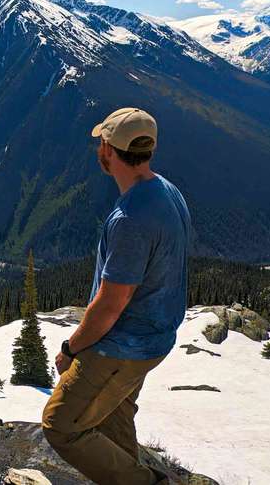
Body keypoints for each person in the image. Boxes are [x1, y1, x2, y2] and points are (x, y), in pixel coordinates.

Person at [41, 107, 192, 485]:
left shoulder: (131, 219)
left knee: (61, 426)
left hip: (119, 348)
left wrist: (72, 348)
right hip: (153, 339)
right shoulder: (167, 192)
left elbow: (111, 304)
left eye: (101, 142)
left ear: (108, 148)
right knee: (113, 413)